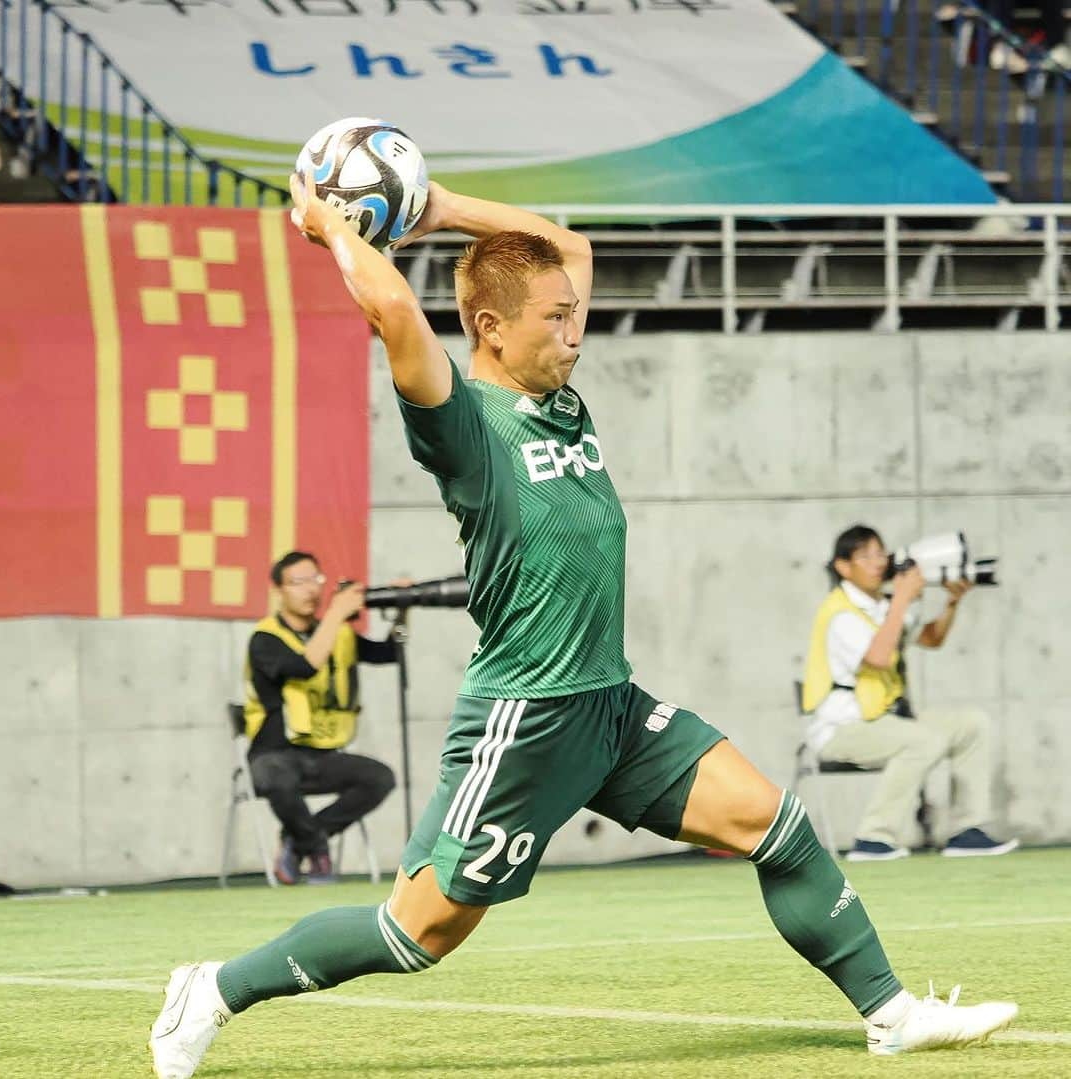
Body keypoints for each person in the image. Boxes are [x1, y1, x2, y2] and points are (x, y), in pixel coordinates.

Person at [149, 171, 1018, 1079]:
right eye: (553, 319)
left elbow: (572, 250)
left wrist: (440, 206)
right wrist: (336, 228)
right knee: (417, 932)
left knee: (777, 822)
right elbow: (397, 314)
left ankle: (891, 1012)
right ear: (490, 326)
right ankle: (210, 989)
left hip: (607, 704)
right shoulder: (464, 427)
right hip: (525, 717)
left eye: (575, 315)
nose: (574, 331)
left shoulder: (561, 395)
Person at [802, 525, 1019, 862]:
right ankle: (872, 838)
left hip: (886, 719)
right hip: (842, 729)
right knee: (923, 740)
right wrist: (902, 599)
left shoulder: (881, 605)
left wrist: (951, 602)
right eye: (866, 556)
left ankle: (967, 831)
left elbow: (931, 639)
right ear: (843, 566)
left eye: (880, 552)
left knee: (971, 724)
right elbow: (877, 657)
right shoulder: (841, 612)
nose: (878, 562)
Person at [244, 550, 397, 885]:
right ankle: (315, 847)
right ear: (279, 591)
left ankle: (299, 841)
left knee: (379, 777)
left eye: (315, 579)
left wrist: (401, 611)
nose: (310, 590)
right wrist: (336, 614)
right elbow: (303, 665)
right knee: (274, 776)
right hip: (274, 755)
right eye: (299, 582)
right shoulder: (265, 638)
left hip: (323, 755)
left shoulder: (338, 634)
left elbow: (389, 653)